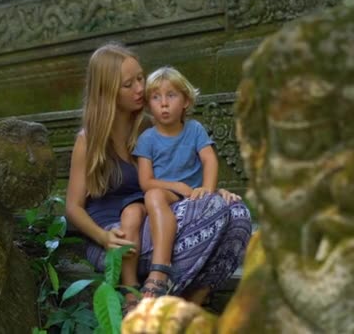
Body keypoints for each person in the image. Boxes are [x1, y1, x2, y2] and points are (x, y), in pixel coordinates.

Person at [65, 42, 252, 314]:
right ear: (107, 91)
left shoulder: (150, 129)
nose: (141, 88)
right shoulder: (89, 140)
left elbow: (176, 178)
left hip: (156, 225)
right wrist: (104, 237)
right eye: (129, 84)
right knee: (216, 212)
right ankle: (141, 297)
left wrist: (210, 190)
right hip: (117, 239)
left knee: (238, 215)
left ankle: (182, 309)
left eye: (140, 77)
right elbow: (73, 207)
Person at [131, 66, 222, 297]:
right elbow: (146, 182)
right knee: (152, 195)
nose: (163, 103)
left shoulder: (194, 129)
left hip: (193, 195)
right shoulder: (147, 139)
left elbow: (209, 160)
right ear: (148, 105)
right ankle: (159, 269)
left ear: (186, 101)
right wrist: (175, 186)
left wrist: (208, 191)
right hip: (168, 194)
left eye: (171, 95)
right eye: (155, 97)